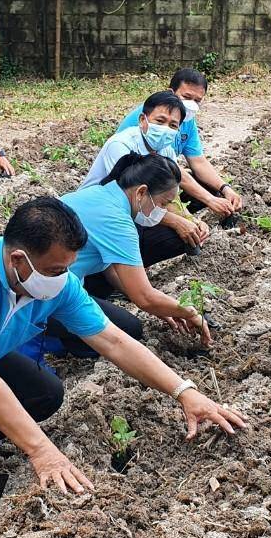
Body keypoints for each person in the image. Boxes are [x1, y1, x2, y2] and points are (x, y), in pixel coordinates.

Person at [0, 197, 247, 501]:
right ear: (19, 259)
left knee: (44, 394)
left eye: (69, 267)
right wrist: (42, 452)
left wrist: (185, 392)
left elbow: (113, 340)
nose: (65, 278)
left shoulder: (56, 283)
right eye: (57, 269)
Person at [44, 152, 211, 357]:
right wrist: (188, 312)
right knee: (130, 330)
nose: (164, 210)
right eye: (163, 203)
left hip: (41, 279)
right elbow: (144, 297)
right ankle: (50, 337)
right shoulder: (118, 222)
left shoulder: (101, 194)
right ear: (141, 192)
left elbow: (112, 271)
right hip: (47, 295)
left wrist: (161, 307)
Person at [83, 91, 209, 267]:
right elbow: (129, 199)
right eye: (160, 121)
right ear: (143, 120)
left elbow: (169, 195)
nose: (165, 129)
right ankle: (108, 276)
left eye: (173, 125)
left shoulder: (166, 151)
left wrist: (190, 220)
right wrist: (177, 221)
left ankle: (132, 269)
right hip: (101, 215)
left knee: (185, 234)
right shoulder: (121, 146)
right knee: (146, 231)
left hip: (137, 209)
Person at [117, 68, 243, 223]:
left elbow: (198, 161)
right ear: (171, 92)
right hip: (137, 189)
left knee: (210, 187)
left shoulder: (187, 121)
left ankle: (180, 217)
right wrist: (208, 201)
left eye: (197, 101)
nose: (191, 105)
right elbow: (165, 170)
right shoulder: (151, 120)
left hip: (162, 180)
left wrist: (225, 188)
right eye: (187, 97)